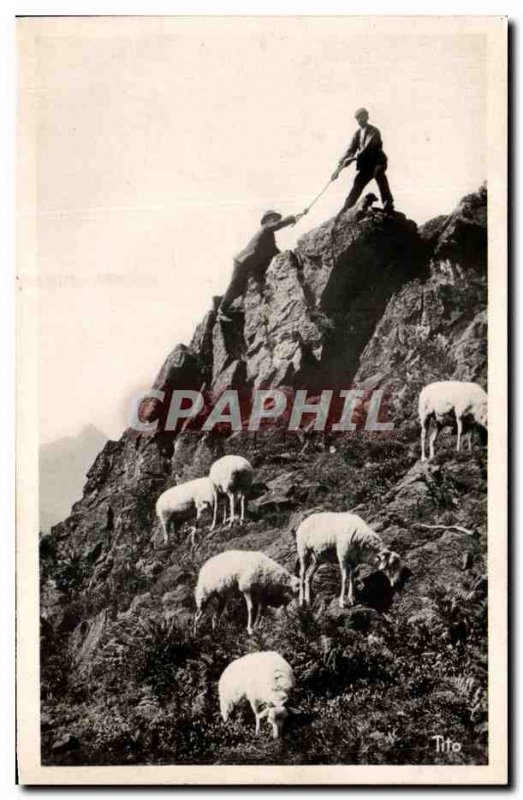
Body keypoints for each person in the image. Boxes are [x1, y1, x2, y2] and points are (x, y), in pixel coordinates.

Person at [218, 209, 306, 322]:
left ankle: (257, 311)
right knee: (235, 285)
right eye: (273, 217)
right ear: (266, 220)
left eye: (276, 218)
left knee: (247, 288)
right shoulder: (265, 228)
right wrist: (292, 218)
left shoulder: (269, 238)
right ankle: (221, 311)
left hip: (253, 267)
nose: (276, 219)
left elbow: (275, 252)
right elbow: (278, 225)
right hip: (243, 261)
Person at [333, 108, 394, 214]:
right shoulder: (357, 134)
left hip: (377, 162)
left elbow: (368, 147)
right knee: (358, 183)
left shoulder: (374, 131)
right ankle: (346, 207)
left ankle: (388, 202)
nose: (360, 120)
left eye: (362, 116)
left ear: (367, 117)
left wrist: (353, 158)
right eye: (358, 118)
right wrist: (339, 167)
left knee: (378, 174)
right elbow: (350, 149)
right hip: (366, 166)